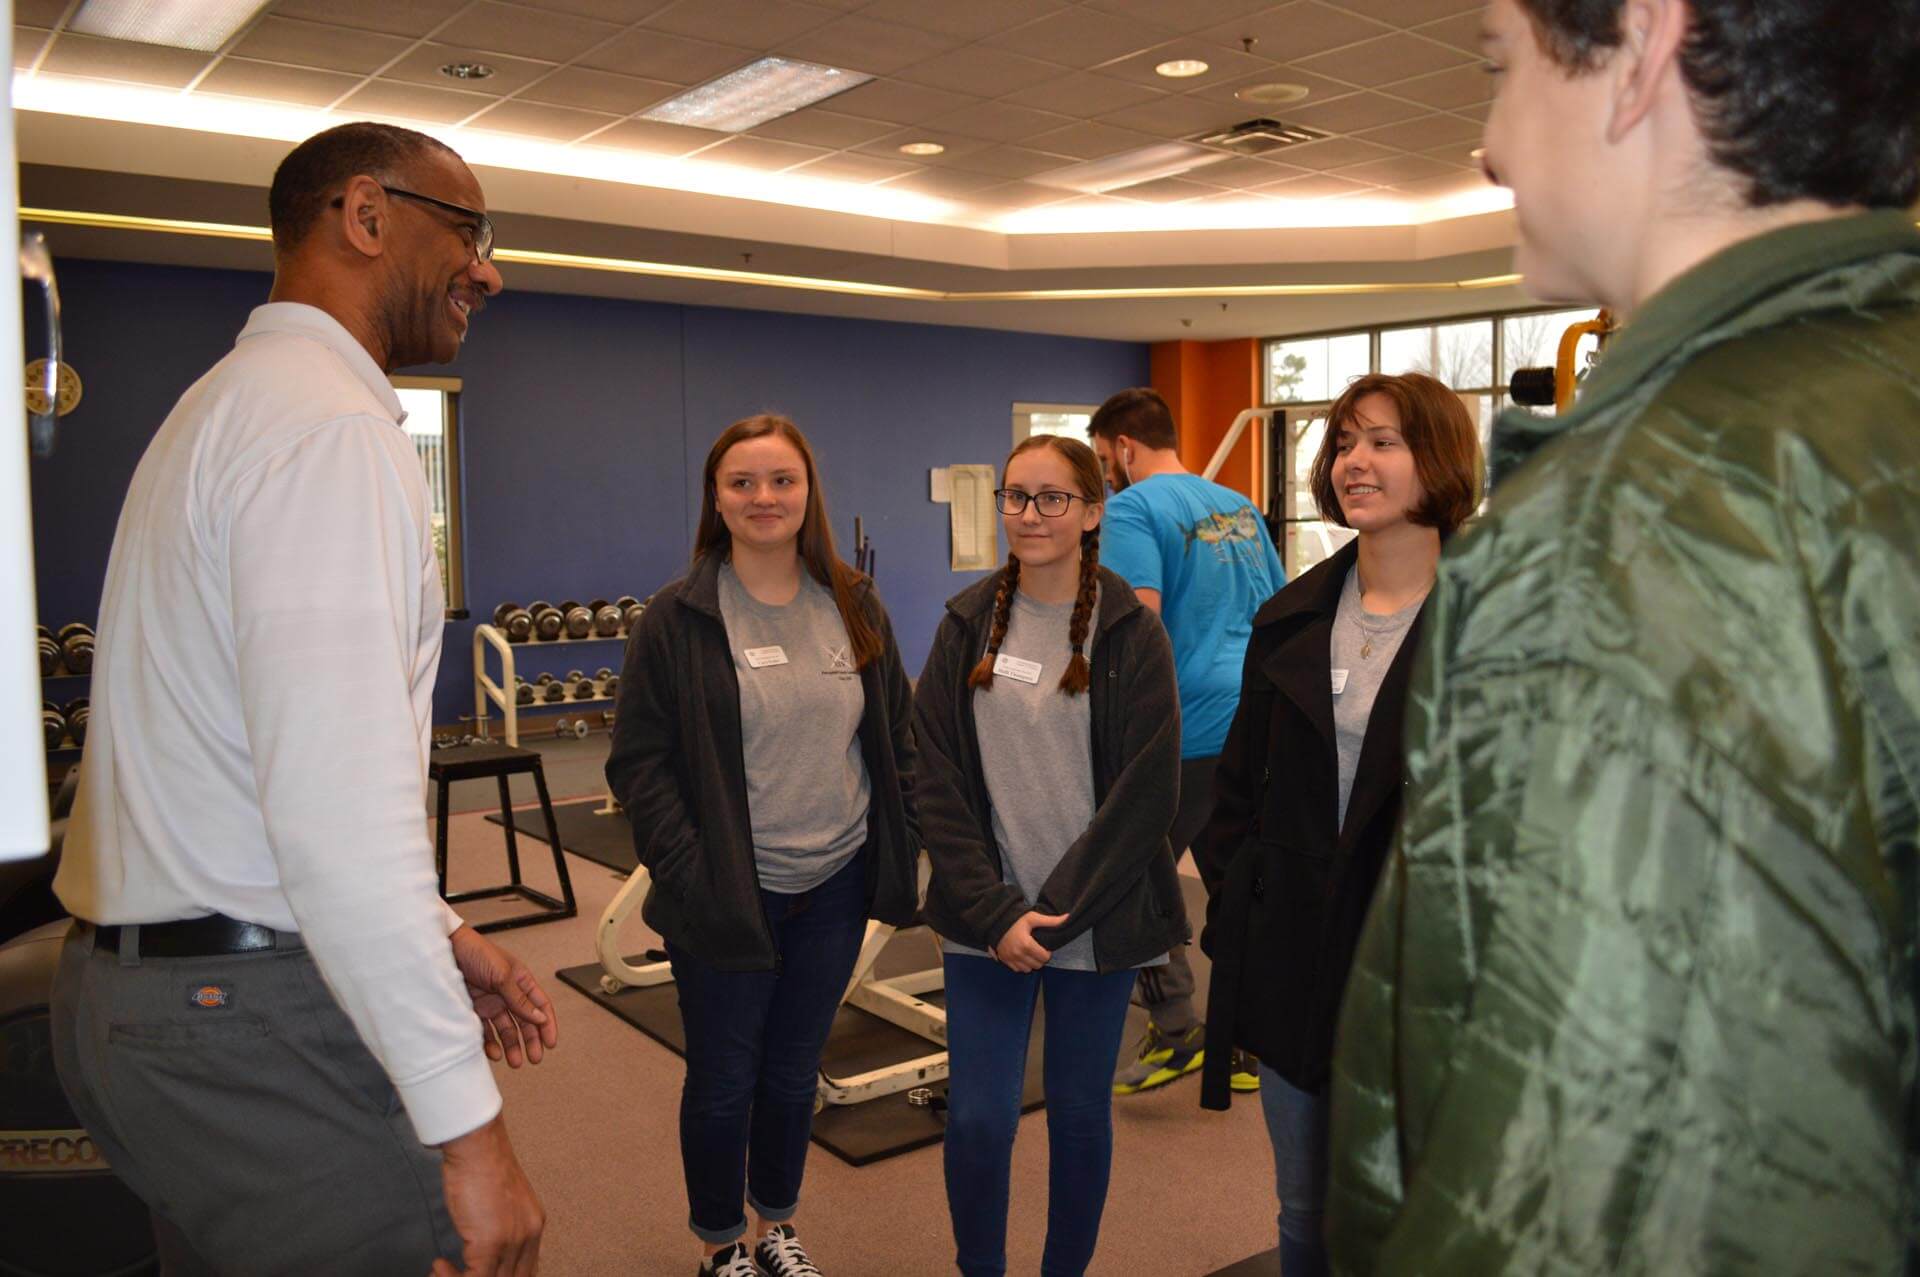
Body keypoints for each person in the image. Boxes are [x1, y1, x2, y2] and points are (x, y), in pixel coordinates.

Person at [1326, 0, 1920, 1272]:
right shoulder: (1873, 412)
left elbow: (1605, 1199)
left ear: (1645, 45)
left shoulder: (1646, 524)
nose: (1490, 145)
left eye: (1503, 66)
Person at [50, 122, 554, 1277]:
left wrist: (439, 929)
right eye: (470, 232)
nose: (488, 271)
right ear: (367, 216)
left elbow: (241, 762)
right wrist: (470, 1128)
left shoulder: (229, 404)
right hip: (238, 1016)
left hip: (141, 1000)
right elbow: (338, 822)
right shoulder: (328, 430)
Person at [605, 414, 920, 1277]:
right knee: (723, 1079)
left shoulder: (853, 602)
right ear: (716, 497)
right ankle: (721, 1244)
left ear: (808, 491)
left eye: (782, 480)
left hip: (836, 884)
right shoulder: (679, 616)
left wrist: (905, 837)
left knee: (791, 1072)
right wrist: (689, 870)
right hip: (726, 894)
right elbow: (638, 761)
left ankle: (777, 1224)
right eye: (742, 482)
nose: (763, 497)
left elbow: (896, 732)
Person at [1194, 373, 1482, 1277]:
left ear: (1438, 459)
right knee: (1306, 1209)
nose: (1356, 460)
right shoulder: (1290, 617)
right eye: (1346, 442)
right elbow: (1234, 794)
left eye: (1384, 441)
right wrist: (1246, 910)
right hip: (1296, 961)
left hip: (1429, 978)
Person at [915, 433, 1187, 1277]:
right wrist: (998, 911)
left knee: (1077, 1116)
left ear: (1093, 511)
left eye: (1052, 498)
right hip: (986, 919)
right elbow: (934, 776)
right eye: (1015, 496)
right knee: (979, 1119)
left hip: (1092, 919)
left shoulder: (1132, 633)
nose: (1029, 514)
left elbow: (1147, 793)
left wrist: (1056, 909)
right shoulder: (965, 624)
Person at [1087, 388, 1285, 1096]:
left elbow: (1138, 624)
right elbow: (1282, 605)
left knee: (1129, 875)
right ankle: (1247, 1039)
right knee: (1233, 883)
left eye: (1102, 458)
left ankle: (1178, 1033)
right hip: (1254, 715)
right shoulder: (1239, 506)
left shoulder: (1132, 508)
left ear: (1123, 448)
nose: (1105, 471)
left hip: (1188, 722)